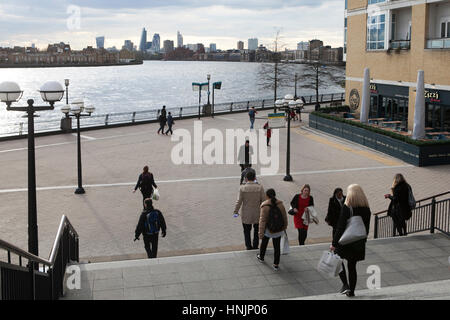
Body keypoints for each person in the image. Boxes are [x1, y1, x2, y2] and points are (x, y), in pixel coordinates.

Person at [330, 184, 371, 297]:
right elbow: (366, 228)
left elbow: (340, 226)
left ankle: (345, 285)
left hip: (346, 240)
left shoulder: (347, 207)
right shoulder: (367, 209)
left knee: (337, 259)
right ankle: (351, 291)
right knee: (352, 267)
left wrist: (334, 243)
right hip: (358, 242)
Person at [257, 189, 288, 271]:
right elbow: (284, 217)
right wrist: (284, 227)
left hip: (268, 230)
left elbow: (262, 220)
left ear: (267, 196)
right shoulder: (280, 204)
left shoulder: (265, 205)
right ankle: (276, 264)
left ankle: (261, 257)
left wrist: (260, 232)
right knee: (277, 247)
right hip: (278, 229)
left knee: (264, 243)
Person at [233, 170, 265, 250]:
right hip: (258, 213)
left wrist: (235, 211)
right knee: (257, 230)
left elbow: (239, 201)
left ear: (246, 178)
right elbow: (264, 200)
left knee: (246, 231)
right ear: (254, 178)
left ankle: (248, 246)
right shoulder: (260, 187)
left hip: (246, 214)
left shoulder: (242, 188)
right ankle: (255, 245)